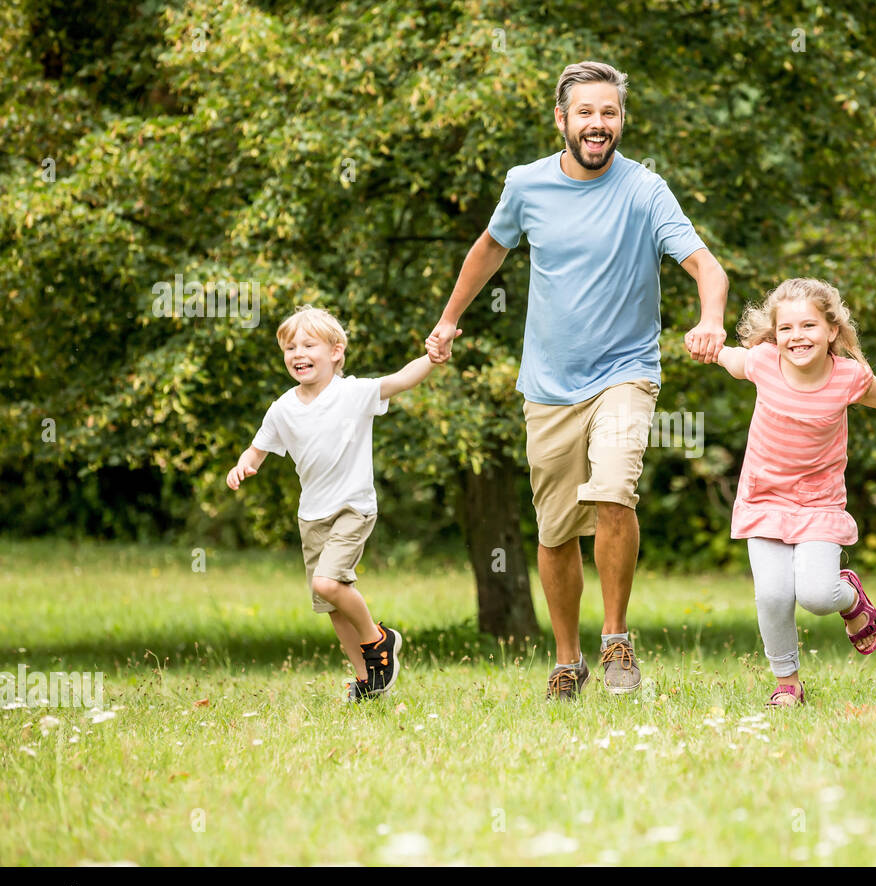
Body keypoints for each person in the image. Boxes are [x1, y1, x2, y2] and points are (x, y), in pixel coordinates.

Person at [425, 61, 729, 700]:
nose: (599, 124)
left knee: (615, 487)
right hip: (547, 385)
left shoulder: (646, 191)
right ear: (561, 120)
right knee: (556, 530)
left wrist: (710, 320)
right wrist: (450, 319)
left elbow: (707, 267)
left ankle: (616, 639)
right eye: (586, 113)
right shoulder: (526, 185)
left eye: (609, 113)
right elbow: (489, 248)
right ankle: (567, 660)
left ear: (621, 120)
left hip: (626, 372)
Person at [712, 278, 876, 707]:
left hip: (819, 504)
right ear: (775, 334)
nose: (796, 337)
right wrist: (706, 342)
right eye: (786, 328)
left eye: (808, 325)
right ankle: (787, 682)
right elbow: (728, 356)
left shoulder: (848, 377)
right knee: (772, 594)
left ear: (831, 330)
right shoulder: (762, 363)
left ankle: (849, 595)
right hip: (764, 499)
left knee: (816, 596)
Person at [227, 305, 437, 701]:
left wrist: (432, 356)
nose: (297, 353)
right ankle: (367, 682)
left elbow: (401, 380)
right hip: (312, 517)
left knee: (328, 582)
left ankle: (381, 639)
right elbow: (257, 450)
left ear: (336, 352)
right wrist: (242, 466)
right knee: (330, 604)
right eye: (290, 348)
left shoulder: (354, 393)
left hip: (352, 508)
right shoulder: (283, 408)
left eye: (309, 344)